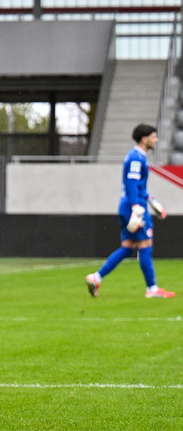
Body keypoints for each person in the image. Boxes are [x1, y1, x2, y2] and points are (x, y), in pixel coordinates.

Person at [85, 124, 174, 299]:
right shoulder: (136, 158)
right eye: (153, 137)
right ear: (144, 138)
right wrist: (137, 208)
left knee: (127, 247)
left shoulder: (136, 156)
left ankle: (96, 277)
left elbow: (138, 186)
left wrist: (152, 201)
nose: (156, 140)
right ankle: (152, 288)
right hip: (134, 207)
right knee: (145, 244)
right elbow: (132, 184)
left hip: (129, 205)